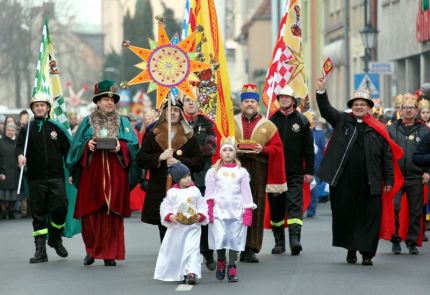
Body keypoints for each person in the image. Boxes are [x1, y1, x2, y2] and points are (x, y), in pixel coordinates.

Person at [315, 76, 401, 266]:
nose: (359, 107)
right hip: (345, 181)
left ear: (369, 107)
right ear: (351, 106)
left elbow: (387, 156)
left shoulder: (379, 129)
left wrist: (389, 180)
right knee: (347, 216)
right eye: (356, 104)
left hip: (371, 181)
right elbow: (326, 110)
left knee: (370, 218)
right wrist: (321, 91)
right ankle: (351, 250)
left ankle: (367, 253)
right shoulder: (342, 120)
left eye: (363, 104)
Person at [67, 80, 139, 266]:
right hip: (92, 175)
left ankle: (110, 253)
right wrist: (86, 146)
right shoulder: (86, 122)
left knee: (111, 216)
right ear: (97, 102)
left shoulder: (123, 122)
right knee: (90, 215)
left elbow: (134, 147)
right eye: (104, 99)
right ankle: (91, 250)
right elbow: (73, 150)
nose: (108, 102)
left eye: (111, 99)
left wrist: (120, 147)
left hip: (115, 175)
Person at [136, 100, 204, 242]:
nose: (172, 113)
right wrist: (159, 157)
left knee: (184, 226)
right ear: (163, 113)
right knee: (165, 228)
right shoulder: (153, 134)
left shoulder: (189, 135)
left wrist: (181, 162)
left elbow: (199, 163)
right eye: (169, 110)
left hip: (183, 190)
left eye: (176, 110)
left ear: (180, 113)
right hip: (160, 188)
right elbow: (141, 159)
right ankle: (167, 260)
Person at [234, 83, 287, 263]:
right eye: (246, 101)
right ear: (241, 104)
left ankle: (251, 248)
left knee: (255, 207)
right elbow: (222, 142)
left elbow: (278, 149)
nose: (249, 104)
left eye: (252, 101)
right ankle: (236, 246)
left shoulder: (268, 125)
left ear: (258, 105)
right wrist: (232, 148)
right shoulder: (231, 122)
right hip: (235, 168)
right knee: (235, 208)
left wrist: (262, 149)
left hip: (258, 169)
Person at [16, 96, 70, 264]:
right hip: (35, 178)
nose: (39, 108)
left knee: (61, 208)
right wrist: (20, 156)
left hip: (56, 177)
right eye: (36, 106)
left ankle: (55, 238)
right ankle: (40, 251)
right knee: (38, 213)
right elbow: (19, 147)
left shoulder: (56, 127)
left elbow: (67, 150)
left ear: (48, 108)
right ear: (33, 108)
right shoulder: (27, 129)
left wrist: (72, 171)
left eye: (42, 105)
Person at [269, 86, 315, 256]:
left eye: (287, 97)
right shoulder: (271, 120)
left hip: (295, 172)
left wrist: (309, 171)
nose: (284, 100)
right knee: (276, 208)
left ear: (293, 101)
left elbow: (308, 149)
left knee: (295, 206)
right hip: (274, 173)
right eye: (281, 97)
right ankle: (279, 242)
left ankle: (295, 240)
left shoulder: (302, 121)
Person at [205, 137, 256, 282]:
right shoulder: (213, 172)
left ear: (235, 153)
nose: (227, 153)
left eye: (230, 150)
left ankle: (232, 265)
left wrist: (247, 210)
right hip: (219, 211)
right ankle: (221, 260)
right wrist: (209, 210)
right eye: (225, 150)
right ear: (220, 153)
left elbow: (246, 193)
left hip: (236, 212)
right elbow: (209, 193)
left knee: (235, 240)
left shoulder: (242, 172)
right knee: (220, 238)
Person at [388, 93, 429, 255]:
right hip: (396, 176)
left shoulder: (425, 131)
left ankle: (412, 242)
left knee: (415, 210)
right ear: (400, 110)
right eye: (405, 108)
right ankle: (395, 240)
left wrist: (427, 171)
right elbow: (385, 153)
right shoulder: (391, 129)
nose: (408, 111)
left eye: (412, 108)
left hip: (416, 176)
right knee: (395, 207)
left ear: (416, 110)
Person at [154, 163, 208, 285]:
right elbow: (166, 207)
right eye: (184, 177)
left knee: (193, 249)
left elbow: (202, 205)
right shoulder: (172, 192)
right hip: (177, 227)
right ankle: (181, 271)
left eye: (189, 175)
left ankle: (191, 272)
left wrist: (201, 215)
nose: (188, 179)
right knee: (181, 249)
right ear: (177, 179)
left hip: (193, 226)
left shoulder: (195, 190)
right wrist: (169, 216)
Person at [182, 95, 217, 270]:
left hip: (202, 175)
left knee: (203, 217)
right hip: (181, 177)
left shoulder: (207, 123)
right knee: (184, 217)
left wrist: (185, 152)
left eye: (194, 100)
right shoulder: (176, 122)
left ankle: (208, 252)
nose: (191, 103)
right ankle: (187, 255)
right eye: (187, 100)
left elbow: (210, 148)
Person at [307, 115, 328, 218]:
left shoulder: (319, 134)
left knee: (313, 188)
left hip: (315, 165)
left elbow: (324, 149)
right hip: (304, 164)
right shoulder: (299, 131)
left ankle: (311, 209)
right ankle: (304, 209)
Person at [0, 122, 19, 220]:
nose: (10, 132)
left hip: (15, 172)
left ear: (15, 131)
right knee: (3, 195)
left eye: (12, 130)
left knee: (13, 195)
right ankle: (3, 212)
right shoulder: (0, 142)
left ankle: (11, 212)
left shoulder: (17, 142)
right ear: (5, 131)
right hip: (3, 172)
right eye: (8, 130)